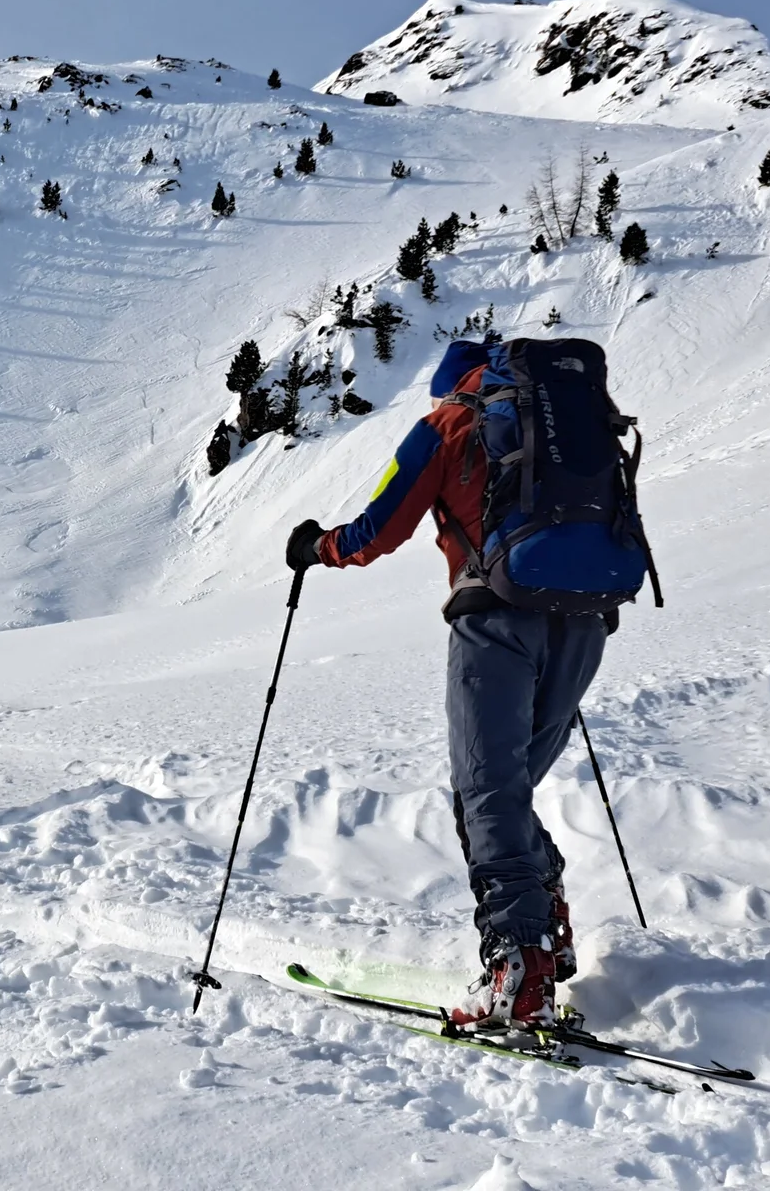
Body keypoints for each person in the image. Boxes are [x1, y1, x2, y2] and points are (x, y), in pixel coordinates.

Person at [284, 339, 615, 1033]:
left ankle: (517, 972)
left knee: (487, 794)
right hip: (585, 621)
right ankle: (544, 935)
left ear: (445, 387)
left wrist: (318, 547)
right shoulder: (568, 419)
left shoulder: (446, 424)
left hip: (497, 624)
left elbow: (379, 528)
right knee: (507, 788)